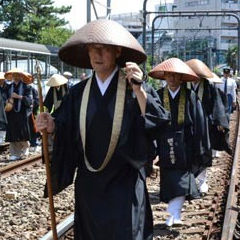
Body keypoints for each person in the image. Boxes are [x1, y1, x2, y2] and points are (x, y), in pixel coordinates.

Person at [36, 19, 170, 240]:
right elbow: (65, 127)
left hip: (124, 179)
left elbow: (157, 121)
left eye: (103, 49)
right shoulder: (78, 93)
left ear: (117, 52)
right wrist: (51, 125)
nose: (97, 55)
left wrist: (139, 89)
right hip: (90, 181)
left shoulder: (134, 86)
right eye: (92, 49)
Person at [149, 58, 209, 227]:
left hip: (185, 144)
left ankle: (174, 215)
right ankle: (173, 213)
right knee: (169, 180)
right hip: (165, 145)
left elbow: (199, 122)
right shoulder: (159, 96)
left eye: (176, 76)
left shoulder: (190, 96)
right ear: (164, 76)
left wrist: (199, 146)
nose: (172, 79)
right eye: (169, 75)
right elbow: (152, 122)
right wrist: (152, 148)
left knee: (182, 180)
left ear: (181, 78)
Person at [185, 59, 230, 193]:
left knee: (204, 152)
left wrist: (220, 122)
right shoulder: (184, 86)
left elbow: (217, 105)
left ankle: (202, 181)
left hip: (205, 126)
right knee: (188, 152)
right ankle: (190, 181)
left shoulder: (209, 86)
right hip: (188, 125)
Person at [4, 68, 33, 160]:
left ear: (21, 76)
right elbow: (4, 97)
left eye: (17, 75)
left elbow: (30, 101)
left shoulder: (27, 87)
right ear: (12, 77)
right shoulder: (8, 87)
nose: (15, 77)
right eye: (14, 75)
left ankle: (25, 150)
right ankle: (14, 153)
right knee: (12, 133)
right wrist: (8, 101)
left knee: (22, 133)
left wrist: (19, 97)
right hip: (11, 114)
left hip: (22, 113)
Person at [0, 72, 8, 144]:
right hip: (1, 107)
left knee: (5, 121)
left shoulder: (8, 87)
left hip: (7, 107)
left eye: (2, 79)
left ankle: (4, 137)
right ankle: (2, 138)